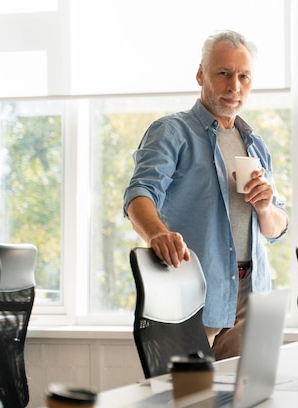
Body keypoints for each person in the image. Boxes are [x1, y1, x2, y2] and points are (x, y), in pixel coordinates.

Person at [122, 30, 288, 360]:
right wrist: (158, 233)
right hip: (192, 293)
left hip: (249, 294)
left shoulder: (256, 145)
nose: (234, 87)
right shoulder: (172, 132)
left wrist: (267, 208)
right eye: (223, 73)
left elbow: (275, 230)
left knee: (243, 404)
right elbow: (139, 194)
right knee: (190, 405)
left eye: (243, 76)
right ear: (201, 74)